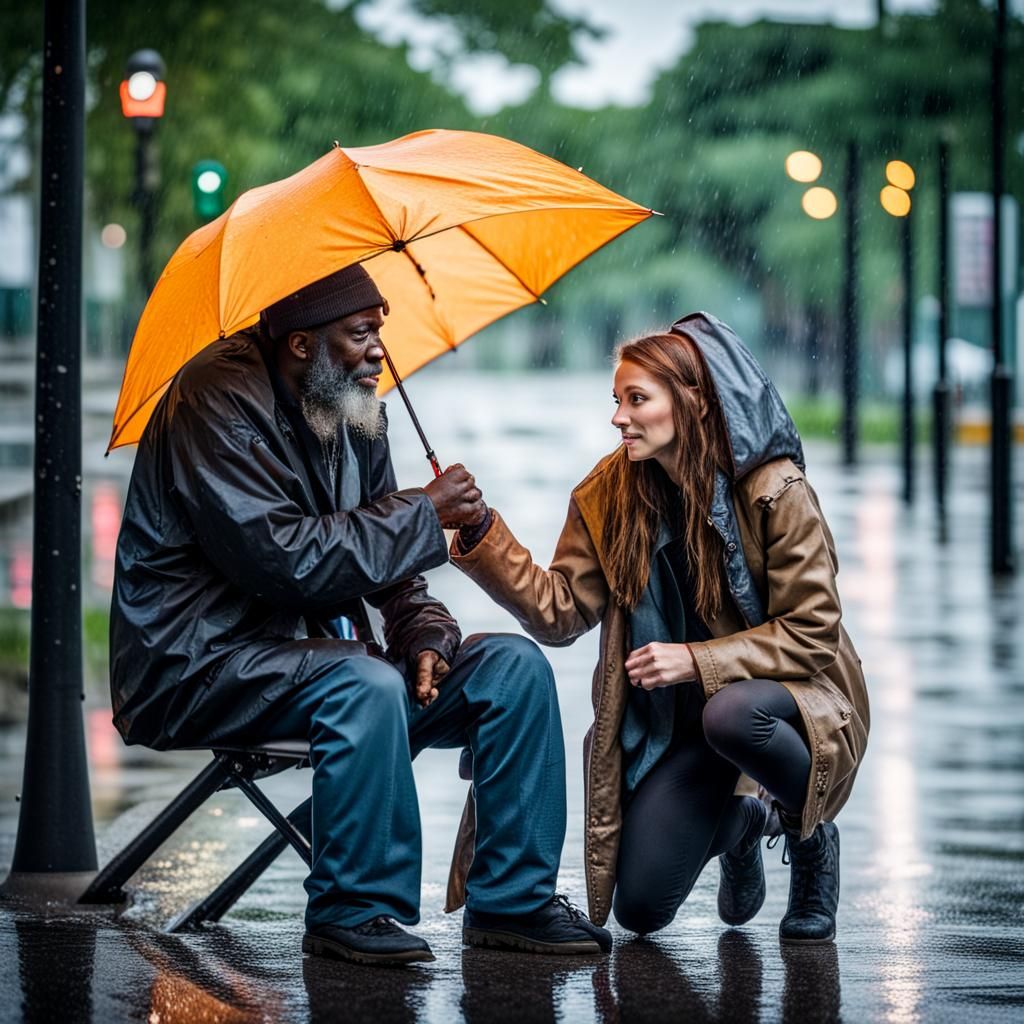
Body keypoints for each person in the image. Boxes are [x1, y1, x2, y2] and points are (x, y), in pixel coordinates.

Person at [109, 262, 611, 966]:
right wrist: (425, 510)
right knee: (362, 683)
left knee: (512, 670)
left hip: (312, 664)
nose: (379, 349)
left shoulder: (352, 405)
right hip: (196, 663)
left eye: (379, 329)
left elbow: (388, 564)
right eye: (359, 333)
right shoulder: (211, 400)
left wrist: (422, 629)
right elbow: (281, 559)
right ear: (302, 344)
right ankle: (354, 908)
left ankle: (513, 901)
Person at [451, 312, 870, 945]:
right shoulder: (609, 494)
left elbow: (812, 633)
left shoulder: (773, 489)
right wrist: (485, 538)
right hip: (679, 725)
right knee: (641, 910)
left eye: (636, 399)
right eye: (616, 401)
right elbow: (561, 612)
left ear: (693, 401)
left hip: (794, 700)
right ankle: (745, 823)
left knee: (732, 714)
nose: (618, 417)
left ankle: (807, 833)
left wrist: (694, 662)